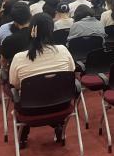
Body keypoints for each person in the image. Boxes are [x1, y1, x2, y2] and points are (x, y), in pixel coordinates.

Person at [9, 13, 75, 147]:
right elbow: (71, 71)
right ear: (52, 30)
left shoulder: (19, 58)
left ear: (31, 30)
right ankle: (59, 125)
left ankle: (23, 135)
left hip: (30, 110)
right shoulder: (63, 50)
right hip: (61, 104)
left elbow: (14, 84)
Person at [0, 2, 32, 82]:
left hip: (18, 78)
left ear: (14, 20)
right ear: (30, 15)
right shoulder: (39, 34)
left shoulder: (9, 40)